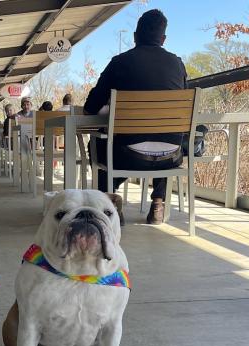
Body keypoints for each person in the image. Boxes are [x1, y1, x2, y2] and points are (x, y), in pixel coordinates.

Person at [84, 9, 187, 225]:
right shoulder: (178, 64)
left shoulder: (119, 62)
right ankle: (158, 204)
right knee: (166, 140)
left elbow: (90, 108)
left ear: (135, 36)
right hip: (170, 158)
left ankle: (109, 206)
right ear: (163, 39)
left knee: (99, 145)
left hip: (126, 156)